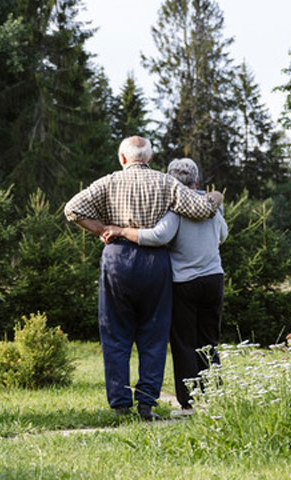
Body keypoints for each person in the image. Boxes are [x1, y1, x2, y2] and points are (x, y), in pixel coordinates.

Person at [64, 137, 223, 421]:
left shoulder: (108, 182)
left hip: (117, 259)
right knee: (154, 334)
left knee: (115, 334)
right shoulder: (166, 183)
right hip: (155, 261)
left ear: (123, 159)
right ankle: (147, 402)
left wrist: (103, 228)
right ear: (149, 159)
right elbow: (202, 210)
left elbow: (72, 209)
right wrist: (216, 196)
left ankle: (121, 402)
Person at [101, 158, 227, 414]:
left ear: (170, 184)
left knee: (183, 343)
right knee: (209, 339)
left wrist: (122, 231)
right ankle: (214, 396)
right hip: (214, 278)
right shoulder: (213, 206)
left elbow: (159, 236)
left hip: (183, 282)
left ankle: (189, 403)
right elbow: (223, 234)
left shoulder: (176, 208)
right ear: (198, 181)